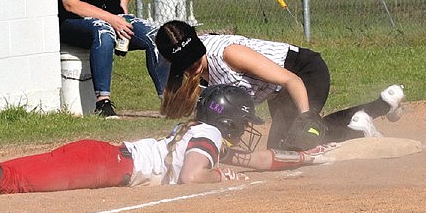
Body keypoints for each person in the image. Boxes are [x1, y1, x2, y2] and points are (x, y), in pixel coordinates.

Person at [0, 85, 336, 198]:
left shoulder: (204, 134)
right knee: (11, 179)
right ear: (227, 120)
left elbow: (257, 157)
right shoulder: (206, 137)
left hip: (103, 158)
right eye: (242, 121)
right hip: (104, 164)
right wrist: (219, 176)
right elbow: (192, 176)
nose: (243, 129)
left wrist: (301, 160)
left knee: (11, 173)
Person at [155, 20, 406, 151]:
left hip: (303, 72)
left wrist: (307, 117)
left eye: (194, 58)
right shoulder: (190, 68)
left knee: (298, 140)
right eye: (184, 64)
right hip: (278, 92)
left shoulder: (229, 54)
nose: (192, 67)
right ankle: (382, 105)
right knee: (283, 146)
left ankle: (363, 125)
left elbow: (291, 80)